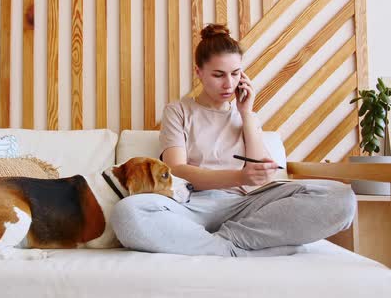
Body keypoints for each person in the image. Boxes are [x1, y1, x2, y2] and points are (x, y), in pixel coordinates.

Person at [110, 24, 356, 257]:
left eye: (236, 74)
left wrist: (246, 112)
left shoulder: (247, 116)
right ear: (199, 72)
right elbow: (177, 170)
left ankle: (227, 243)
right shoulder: (179, 111)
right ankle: (235, 248)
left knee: (342, 198)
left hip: (246, 207)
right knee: (127, 212)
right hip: (192, 205)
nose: (229, 84)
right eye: (218, 75)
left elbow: (262, 174)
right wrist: (239, 176)